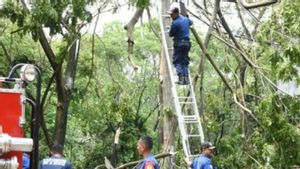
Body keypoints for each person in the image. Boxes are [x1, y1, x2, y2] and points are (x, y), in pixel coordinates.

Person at [168, 4, 193, 85]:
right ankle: (186, 79)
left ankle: (181, 79)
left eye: (172, 14)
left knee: (177, 61)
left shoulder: (175, 23)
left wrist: (171, 29)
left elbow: (171, 34)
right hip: (187, 44)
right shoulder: (186, 19)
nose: (171, 16)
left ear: (176, 13)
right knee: (184, 61)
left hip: (179, 44)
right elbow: (191, 22)